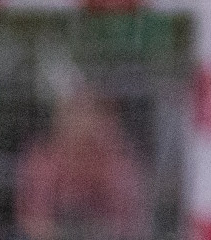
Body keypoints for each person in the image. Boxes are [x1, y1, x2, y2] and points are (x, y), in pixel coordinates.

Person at [15, 88, 150, 240]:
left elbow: (129, 222)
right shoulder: (45, 160)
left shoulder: (119, 163)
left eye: (98, 113)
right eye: (76, 112)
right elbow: (35, 221)